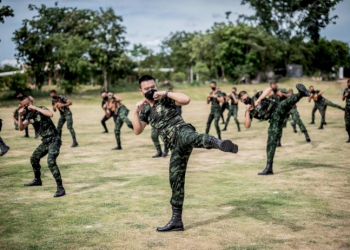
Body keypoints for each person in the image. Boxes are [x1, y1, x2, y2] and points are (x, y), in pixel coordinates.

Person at [133, 75, 238, 232]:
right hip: (174, 145)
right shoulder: (145, 110)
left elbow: (186, 99)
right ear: (141, 91)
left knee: (192, 137)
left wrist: (164, 93)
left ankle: (219, 143)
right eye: (147, 88)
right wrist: (136, 111)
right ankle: (177, 221)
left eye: (153, 87)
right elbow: (137, 130)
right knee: (175, 179)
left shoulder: (164, 98)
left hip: (181, 131)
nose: (151, 90)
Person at [238, 83, 310, 175]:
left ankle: (301, 94)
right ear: (241, 101)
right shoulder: (249, 111)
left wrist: (259, 99)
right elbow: (247, 125)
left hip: (276, 108)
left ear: (248, 95)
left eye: (247, 97)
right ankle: (269, 168)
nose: (247, 99)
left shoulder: (256, 97)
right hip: (274, 120)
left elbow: (269, 89)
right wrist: (247, 111)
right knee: (271, 142)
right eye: (244, 99)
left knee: (284, 104)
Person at [17, 96, 65, 197]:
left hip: (54, 139)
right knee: (34, 158)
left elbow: (51, 114)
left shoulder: (41, 109)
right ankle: (37, 180)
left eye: (27, 104)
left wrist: (35, 108)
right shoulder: (29, 116)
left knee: (51, 161)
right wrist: (19, 115)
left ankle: (60, 188)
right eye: (24, 105)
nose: (26, 106)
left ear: (31, 102)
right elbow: (21, 128)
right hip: (45, 142)